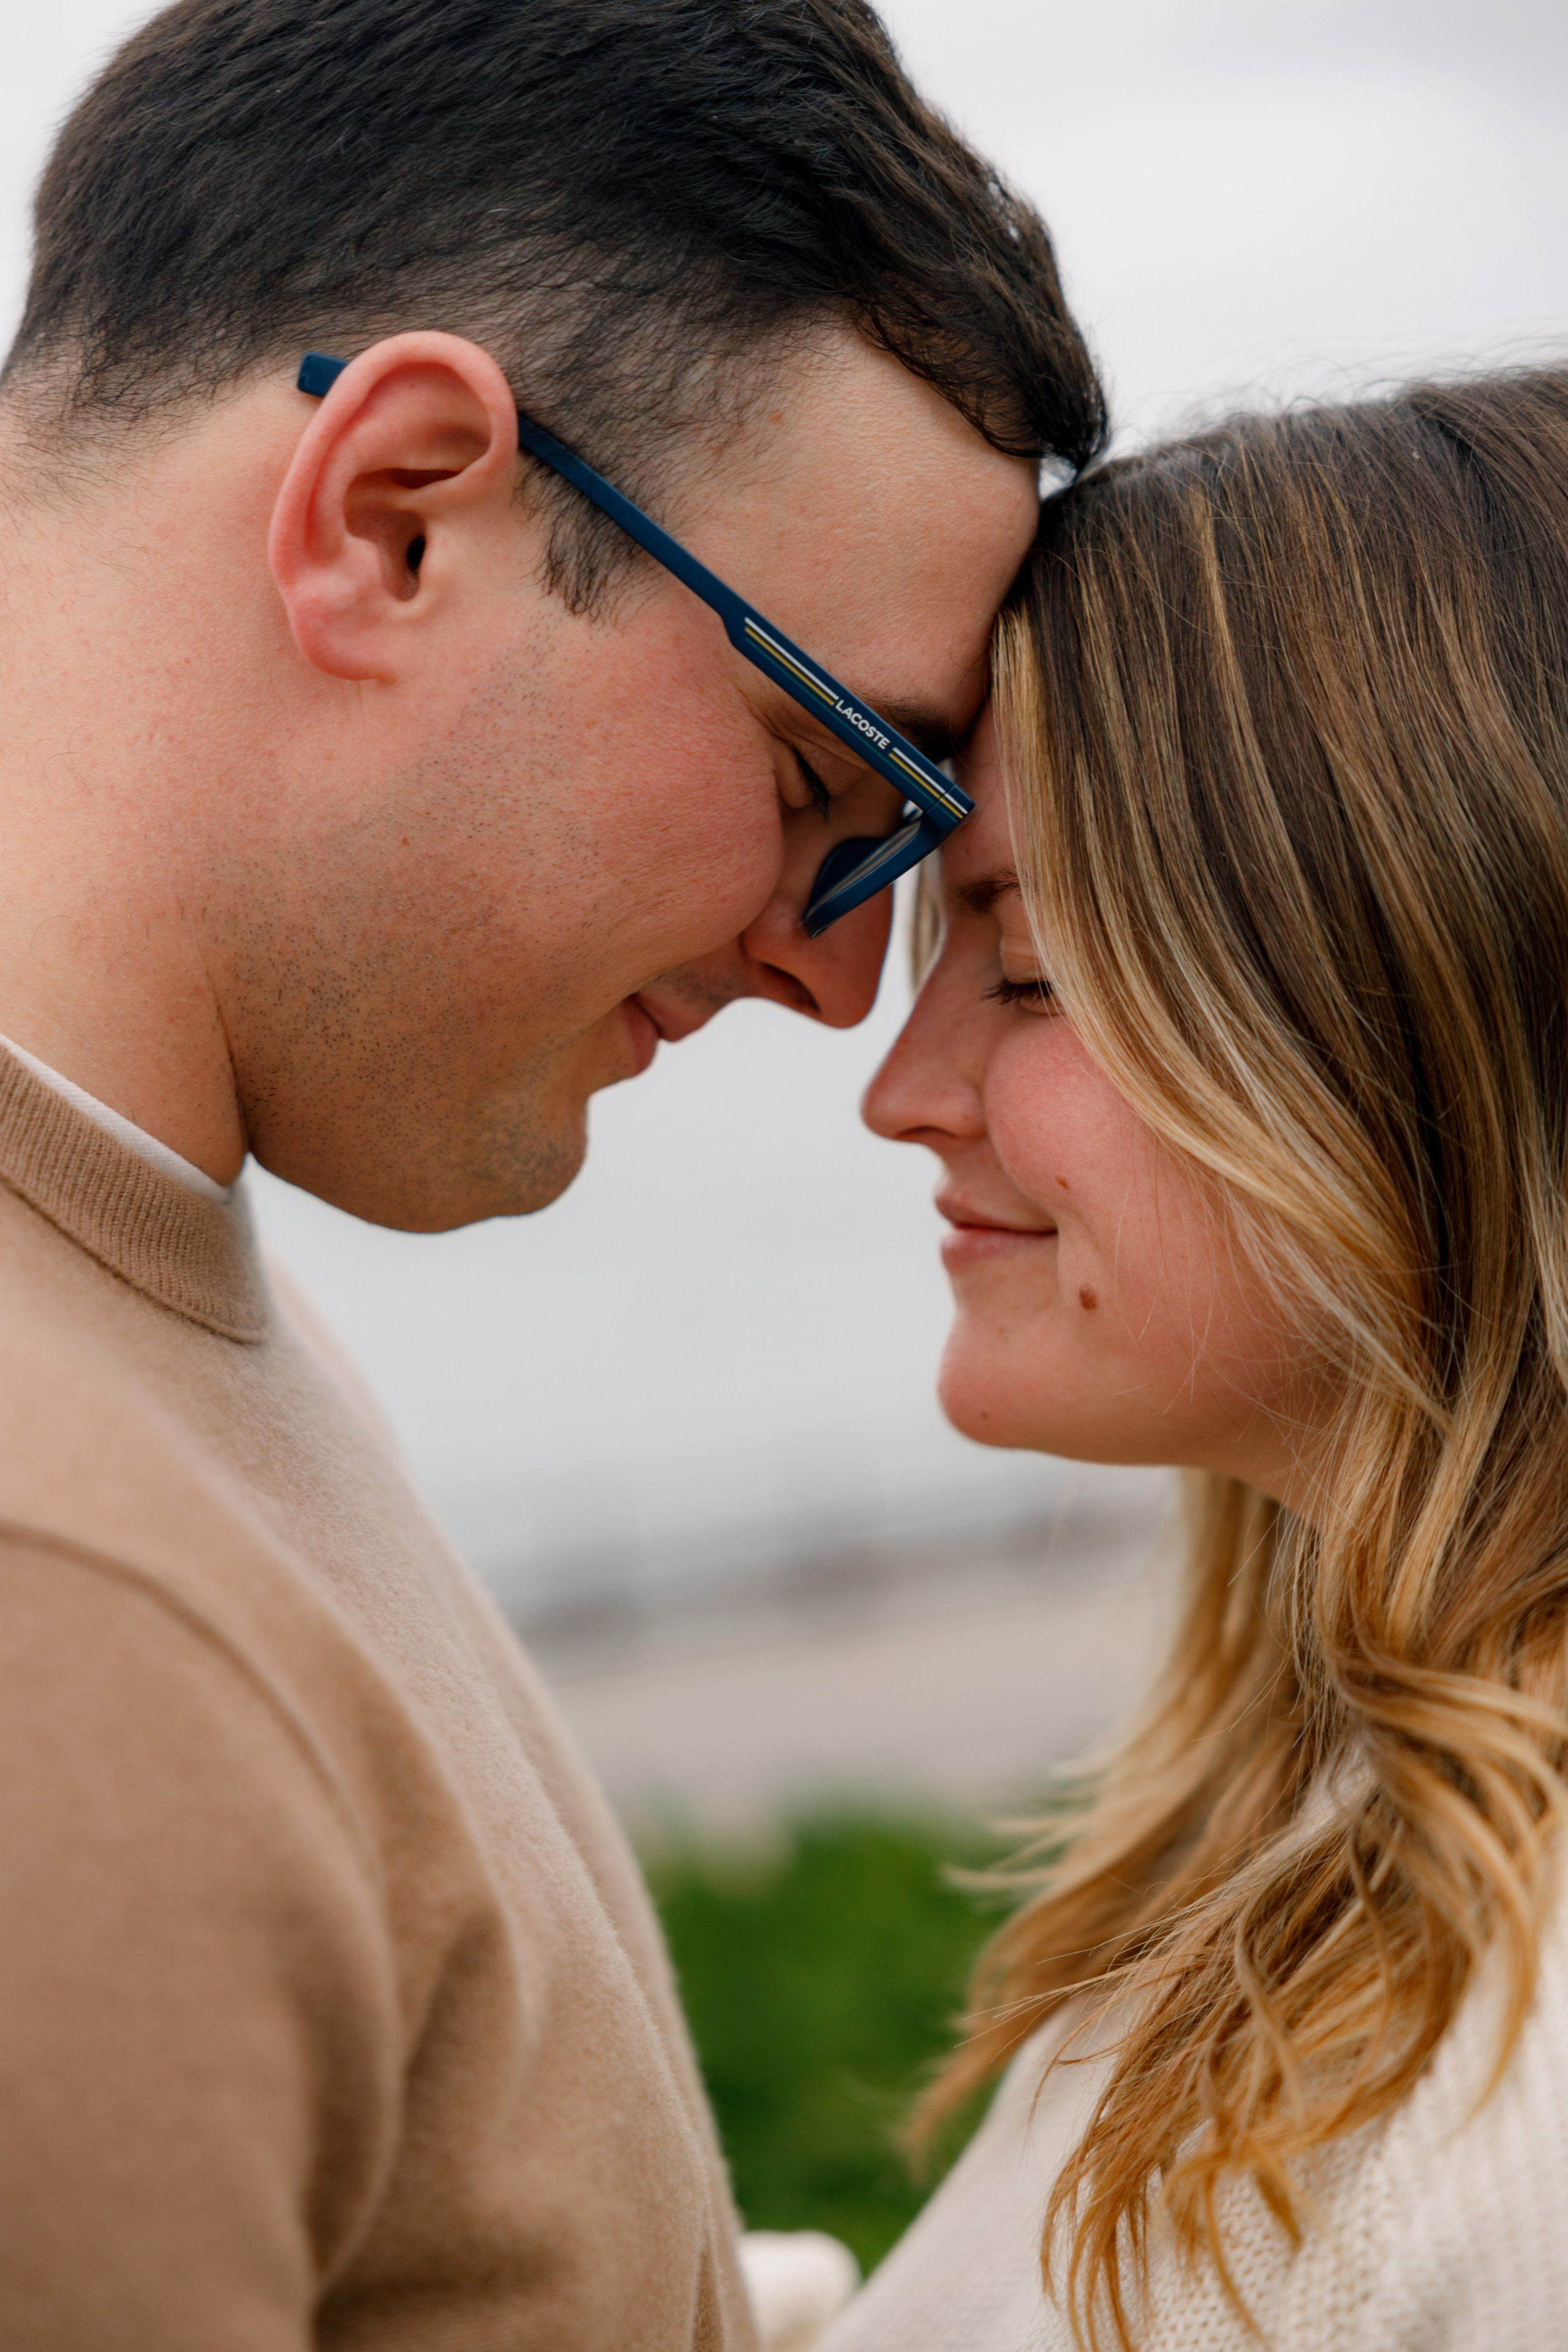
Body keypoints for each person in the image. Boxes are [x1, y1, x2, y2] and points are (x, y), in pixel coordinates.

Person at [0, 1, 1106, 2344]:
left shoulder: (153, 1309)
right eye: (831, 786)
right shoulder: (56, 1585)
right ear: (396, 513)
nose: (841, 994)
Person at [829, 366, 1568, 2351]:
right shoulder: (1338, 1839)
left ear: (1422, 1009)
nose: (903, 1091)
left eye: (1032, 964)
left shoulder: (1531, 2099)